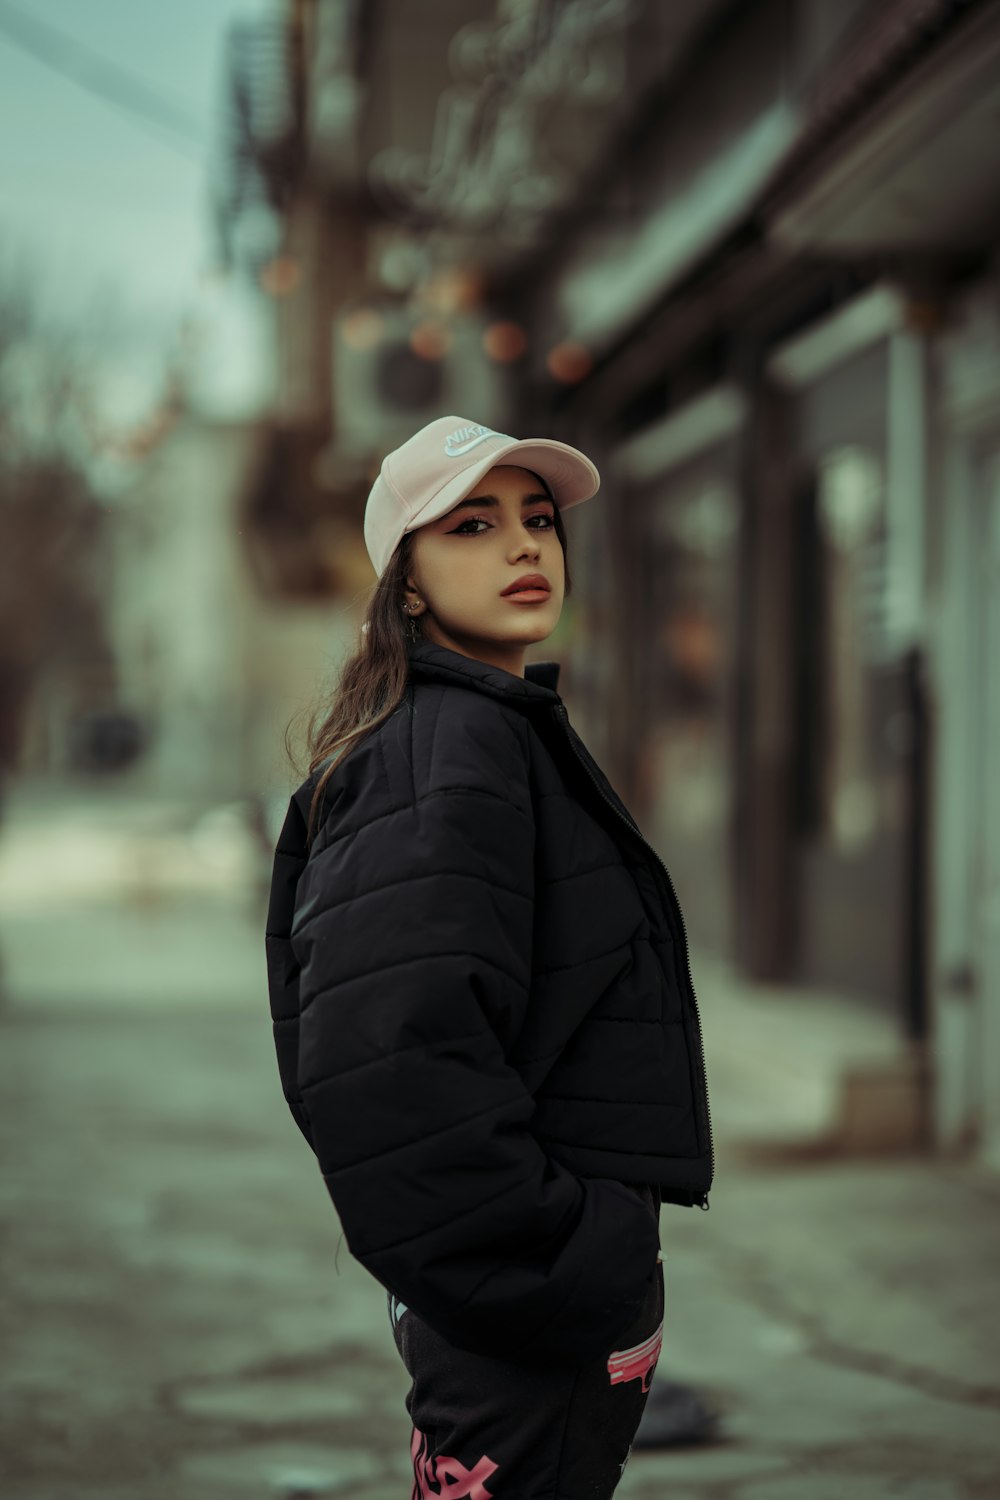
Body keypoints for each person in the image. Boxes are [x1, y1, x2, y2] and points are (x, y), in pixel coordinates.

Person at [265, 414, 715, 1499]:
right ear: (406, 586)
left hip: (530, 1291)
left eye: (538, 520)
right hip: (522, 1300)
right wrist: (561, 1256)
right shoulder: (442, 749)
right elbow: (389, 1060)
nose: (524, 547)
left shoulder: (491, 730)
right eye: (472, 525)